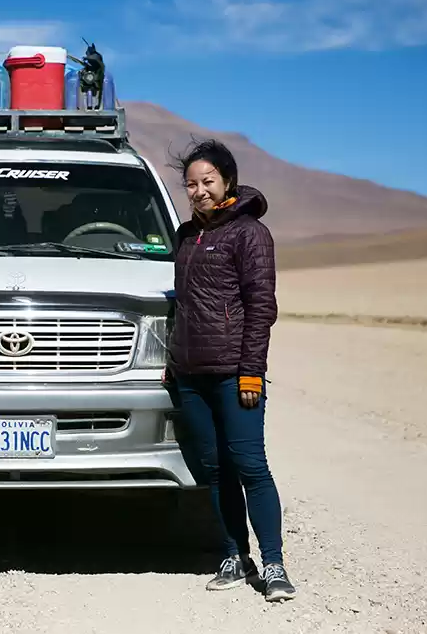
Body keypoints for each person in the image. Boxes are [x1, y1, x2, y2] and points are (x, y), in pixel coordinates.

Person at [162, 138, 296, 602]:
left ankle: (274, 564)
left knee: (250, 466)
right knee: (216, 472)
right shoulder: (185, 236)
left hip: (233, 372)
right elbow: (180, 307)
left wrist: (251, 371)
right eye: (191, 184)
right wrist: (171, 362)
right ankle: (234, 556)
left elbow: (262, 308)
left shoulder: (249, 234)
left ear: (227, 182)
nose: (198, 191)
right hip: (190, 374)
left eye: (207, 182)